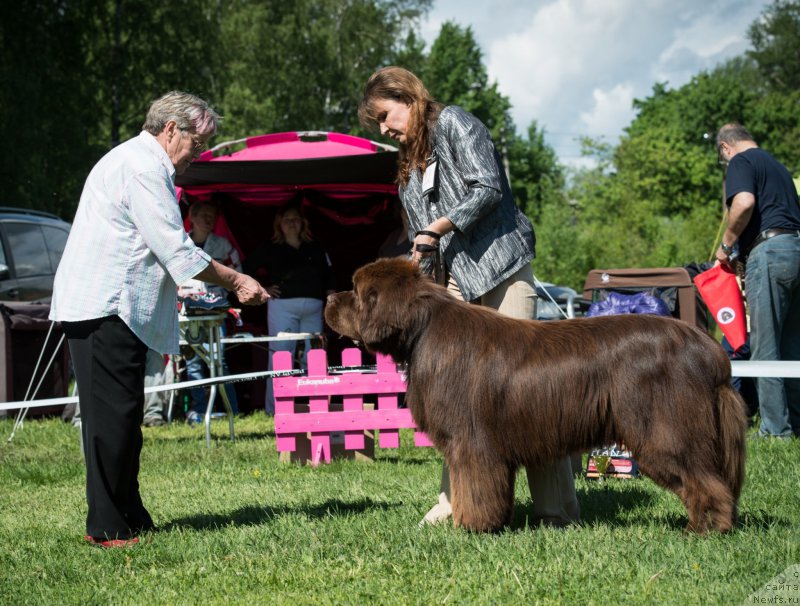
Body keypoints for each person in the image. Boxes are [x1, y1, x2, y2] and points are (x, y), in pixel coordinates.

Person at [358, 66, 580, 527]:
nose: (384, 129)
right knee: (457, 399)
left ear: (407, 97)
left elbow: (488, 187)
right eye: (377, 124)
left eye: (385, 116)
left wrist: (437, 228)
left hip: (503, 267)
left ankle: (556, 511)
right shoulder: (405, 171)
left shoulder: (457, 122)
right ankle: (454, 502)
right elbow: (422, 247)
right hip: (455, 283)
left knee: (531, 391)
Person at [49, 91, 268, 548]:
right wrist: (236, 281)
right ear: (172, 130)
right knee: (112, 421)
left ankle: (129, 514)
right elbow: (176, 248)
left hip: (108, 307)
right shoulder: (144, 169)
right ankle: (107, 527)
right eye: (199, 142)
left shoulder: (137, 162)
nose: (199, 154)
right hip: (106, 306)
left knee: (124, 418)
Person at [715, 123, 800, 439]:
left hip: (771, 254)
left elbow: (744, 202)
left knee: (766, 348)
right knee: (792, 346)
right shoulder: (777, 166)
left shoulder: (740, 161)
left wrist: (727, 246)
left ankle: (776, 430)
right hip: (795, 249)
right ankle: (796, 422)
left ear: (726, 147)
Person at [244, 204, 336, 414]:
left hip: (313, 306)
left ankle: (317, 406)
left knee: (313, 355)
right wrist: (262, 288)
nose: (291, 223)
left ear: (303, 223)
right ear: (280, 224)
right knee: (281, 354)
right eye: (287, 219)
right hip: (282, 306)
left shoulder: (315, 246)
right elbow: (246, 266)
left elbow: (329, 273)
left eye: (295, 219)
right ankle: (276, 409)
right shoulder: (271, 247)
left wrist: (331, 295)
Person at [181, 198, 242, 424]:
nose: (209, 219)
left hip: (216, 313)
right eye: (204, 215)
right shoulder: (180, 245)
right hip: (187, 314)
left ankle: (231, 410)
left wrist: (227, 292)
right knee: (193, 363)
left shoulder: (223, 245)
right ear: (192, 218)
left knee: (219, 361)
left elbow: (238, 272)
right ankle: (198, 412)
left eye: (212, 215)